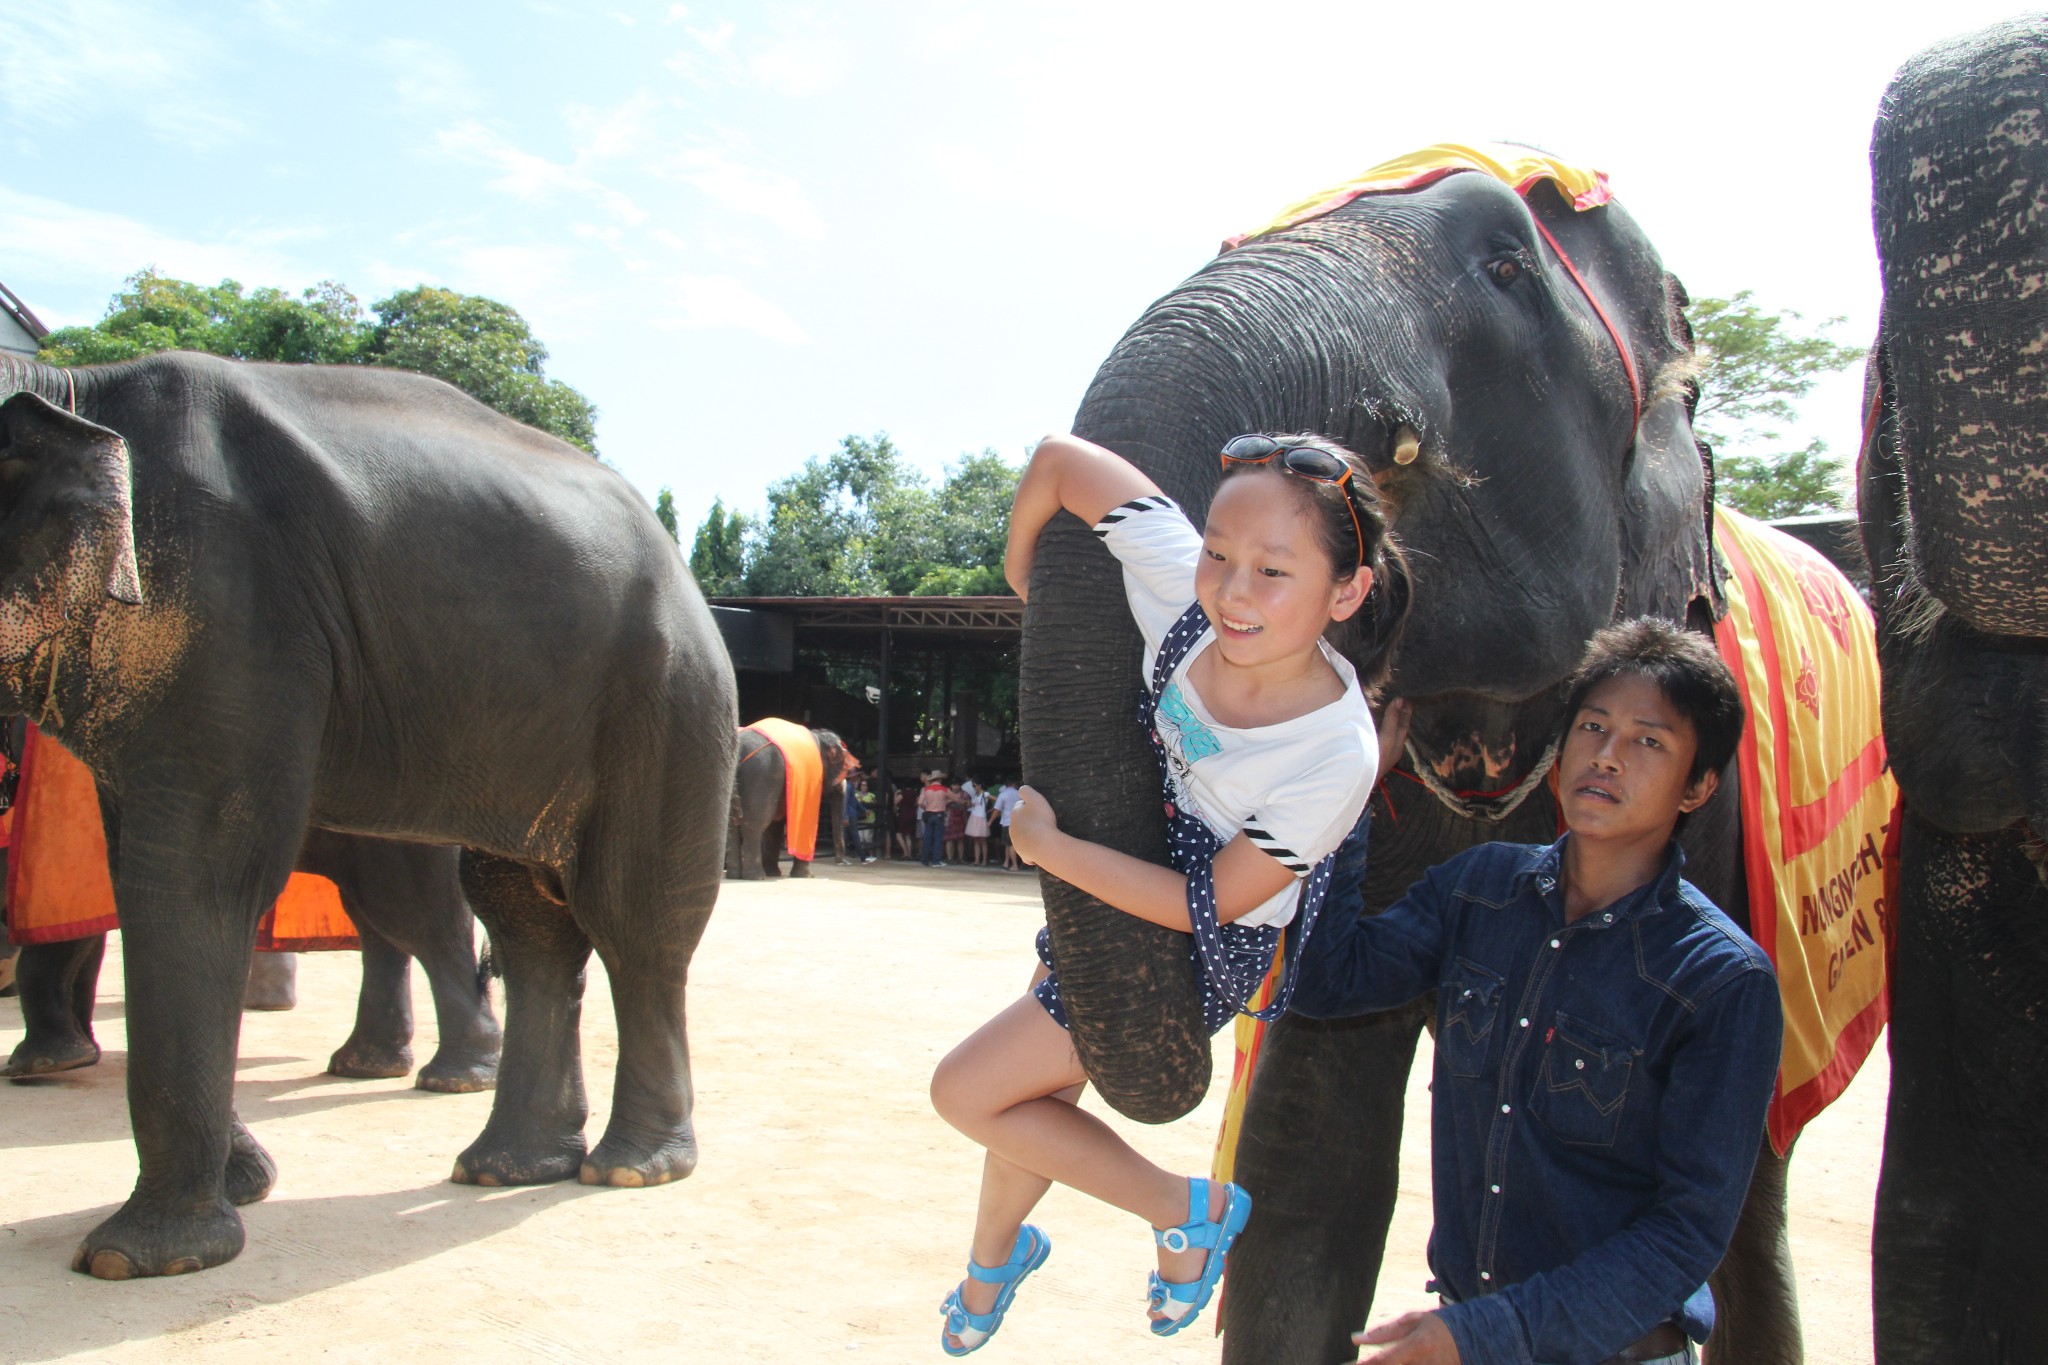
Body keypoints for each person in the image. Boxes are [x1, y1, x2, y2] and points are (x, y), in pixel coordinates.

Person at [928, 431, 1409, 1354]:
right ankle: (997, 1256)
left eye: (1274, 571)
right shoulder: (1183, 584)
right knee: (1040, 1087)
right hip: (1121, 859)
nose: (1231, 589)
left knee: (967, 1091)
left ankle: (1186, 1209)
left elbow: (1215, 901)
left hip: (1195, 941)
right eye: (1219, 554)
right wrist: (1035, 580)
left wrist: (1048, 849)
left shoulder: (1332, 752)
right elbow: (1061, 462)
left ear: (1345, 592)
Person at [1295, 619, 1782, 1365]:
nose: (1608, 756)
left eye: (1648, 741)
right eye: (1593, 726)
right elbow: (1329, 981)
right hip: (1467, 1331)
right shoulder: (1480, 889)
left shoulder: (1720, 980)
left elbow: (1684, 1233)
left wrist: (1488, 1333)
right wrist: (1348, 794)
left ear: (1699, 785)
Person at [919, 772, 951, 867]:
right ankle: (936, 860)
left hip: (929, 814)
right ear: (940, 779)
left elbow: (920, 802)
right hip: (939, 815)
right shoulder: (944, 789)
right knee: (938, 838)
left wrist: (926, 808)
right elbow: (955, 798)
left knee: (927, 837)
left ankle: (925, 860)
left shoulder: (925, 789)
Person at [993, 779, 1022, 871]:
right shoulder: (1019, 793)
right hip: (1018, 822)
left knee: (1010, 844)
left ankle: (1014, 865)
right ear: (1014, 784)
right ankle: (1006, 862)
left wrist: (990, 821)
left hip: (1007, 821)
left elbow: (997, 809)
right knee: (1009, 844)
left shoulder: (1003, 794)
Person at [965, 780, 992, 866]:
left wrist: (991, 810)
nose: (974, 788)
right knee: (976, 840)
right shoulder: (975, 795)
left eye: (975, 786)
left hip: (981, 817)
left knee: (983, 841)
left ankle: (984, 860)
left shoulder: (985, 794)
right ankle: (977, 860)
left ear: (980, 785)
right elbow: (972, 805)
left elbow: (997, 800)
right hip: (974, 816)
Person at [854, 775, 879, 863]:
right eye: (862, 785)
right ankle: (862, 854)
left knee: (868, 838)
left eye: (865, 785)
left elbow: (875, 803)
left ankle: (871, 854)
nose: (863, 787)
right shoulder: (856, 794)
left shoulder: (872, 795)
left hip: (869, 819)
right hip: (860, 819)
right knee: (860, 838)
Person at [895, 780, 919, 862]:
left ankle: (905, 853)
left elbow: (896, 802)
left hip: (904, 814)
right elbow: (917, 803)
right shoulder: (914, 793)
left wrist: (896, 793)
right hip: (912, 814)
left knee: (899, 834)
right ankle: (910, 854)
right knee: (908, 835)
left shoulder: (903, 793)